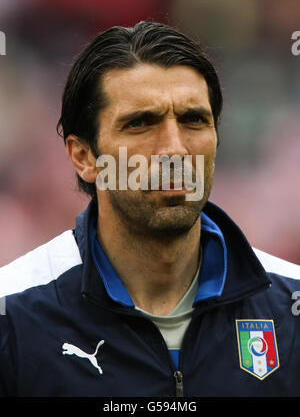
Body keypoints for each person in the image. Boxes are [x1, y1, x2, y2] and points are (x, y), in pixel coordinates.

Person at [0, 21, 299, 398]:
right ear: (84, 156)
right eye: (140, 123)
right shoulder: (13, 314)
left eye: (194, 120)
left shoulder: (290, 305)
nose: (174, 149)